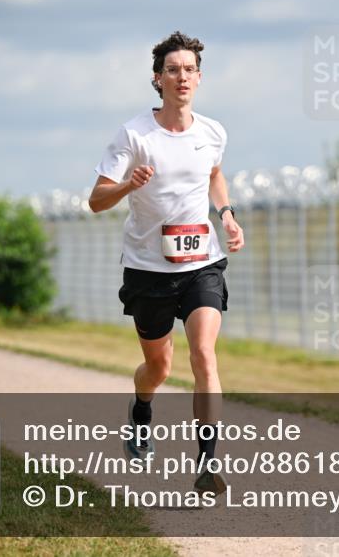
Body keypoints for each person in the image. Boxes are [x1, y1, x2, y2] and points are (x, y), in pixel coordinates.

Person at [89, 31, 244, 495]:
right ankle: (141, 407)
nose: (182, 77)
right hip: (148, 269)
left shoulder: (212, 132)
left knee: (203, 355)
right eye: (173, 70)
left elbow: (214, 174)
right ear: (158, 79)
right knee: (158, 367)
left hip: (202, 262)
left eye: (190, 69)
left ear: (199, 77)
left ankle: (207, 464)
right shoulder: (135, 134)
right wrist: (126, 186)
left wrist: (228, 215)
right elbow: (96, 200)